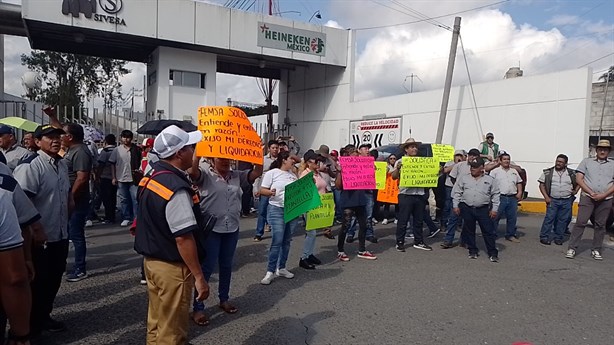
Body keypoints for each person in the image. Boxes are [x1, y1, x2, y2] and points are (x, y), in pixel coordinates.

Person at [134, 125, 209, 344]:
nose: (193, 150)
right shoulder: (175, 186)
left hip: (152, 263)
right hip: (172, 269)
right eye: (190, 147)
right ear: (179, 153)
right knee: (172, 332)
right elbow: (183, 237)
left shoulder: (153, 175)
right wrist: (198, 277)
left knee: (156, 324)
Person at [188, 155, 262, 325]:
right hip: (212, 228)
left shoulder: (238, 175)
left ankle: (224, 299)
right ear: (213, 160)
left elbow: (257, 172)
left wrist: (257, 154)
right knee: (206, 267)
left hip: (232, 227)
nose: (225, 161)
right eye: (220, 158)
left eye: (228, 158)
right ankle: (198, 308)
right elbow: (192, 172)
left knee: (227, 265)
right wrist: (197, 153)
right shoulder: (205, 175)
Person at [13, 125, 72, 335]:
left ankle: (43, 317)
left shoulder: (61, 164)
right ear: (37, 142)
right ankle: (28, 327)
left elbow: (66, 195)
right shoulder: (31, 166)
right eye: (50, 138)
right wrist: (34, 231)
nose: (56, 140)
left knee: (54, 278)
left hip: (60, 234)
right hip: (38, 237)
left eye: (58, 137)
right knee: (37, 281)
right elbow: (22, 202)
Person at [566, 139, 614, 260]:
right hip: (587, 197)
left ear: (608, 151)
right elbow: (579, 179)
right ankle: (572, 247)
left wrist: (603, 195)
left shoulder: (613, 164)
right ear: (596, 150)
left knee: (600, 225)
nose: (603, 151)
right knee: (581, 222)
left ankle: (596, 249)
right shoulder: (586, 162)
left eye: (605, 149)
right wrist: (591, 192)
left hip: (606, 198)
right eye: (600, 149)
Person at [259, 151, 302, 284]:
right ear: (283, 160)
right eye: (290, 159)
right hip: (276, 209)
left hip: (292, 210)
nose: (293, 162)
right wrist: (270, 192)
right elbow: (262, 190)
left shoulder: (293, 175)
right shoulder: (272, 173)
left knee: (287, 240)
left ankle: (282, 267)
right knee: (277, 239)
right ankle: (270, 271)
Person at [61, 123, 93, 282]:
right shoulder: (71, 149)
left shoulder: (80, 152)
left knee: (76, 234)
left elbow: (82, 178)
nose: (59, 138)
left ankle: (80, 268)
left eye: (62, 134)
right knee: (66, 233)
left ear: (70, 137)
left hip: (77, 201)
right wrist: (52, 116)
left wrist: (71, 198)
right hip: (70, 199)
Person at [334, 148, 377, 262]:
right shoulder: (343, 167)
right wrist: (340, 172)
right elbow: (338, 186)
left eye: (357, 156)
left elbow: (370, 180)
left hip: (360, 200)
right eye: (353, 156)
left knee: (363, 225)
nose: (356, 159)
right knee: (346, 226)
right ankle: (340, 250)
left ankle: (362, 250)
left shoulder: (362, 166)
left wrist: (371, 171)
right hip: (348, 200)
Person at [452, 159, 500, 262]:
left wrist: (494, 209)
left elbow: (495, 195)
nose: (472, 169)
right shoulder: (464, 179)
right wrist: (456, 205)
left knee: (488, 231)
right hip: (467, 208)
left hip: (483, 209)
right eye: (471, 166)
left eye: (475, 167)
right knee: (469, 230)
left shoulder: (490, 180)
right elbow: (457, 192)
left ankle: (492, 253)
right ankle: (472, 250)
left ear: (482, 168)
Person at [392, 138, 432, 252]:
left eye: (415, 147)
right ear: (406, 149)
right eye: (412, 147)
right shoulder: (400, 161)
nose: (415, 149)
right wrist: (398, 169)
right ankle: (399, 242)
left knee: (419, 220)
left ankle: (418, 241)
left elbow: (429, 175)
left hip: (419, 194)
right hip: (405, 194)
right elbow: (394, 177)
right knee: (403, 220)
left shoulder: (422, 161)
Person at [538, 154, 579, 245]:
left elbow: (580, 181)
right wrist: (546, 197)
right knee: (549, 219)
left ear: (565, 164)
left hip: (567, 200)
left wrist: (576, 190)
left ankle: (559, 238)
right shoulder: (548, 172)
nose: (558, 163)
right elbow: (541, 185)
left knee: (563, 220)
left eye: (561, 162)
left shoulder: (572, 173)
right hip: (553, 200)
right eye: (557, 161)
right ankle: (544, 237)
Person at [298, 152, 329, 270]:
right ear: (308, 162)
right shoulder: (305, 174)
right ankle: (304, 257)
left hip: (319, 205)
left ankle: (309, 254)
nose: (318, 163)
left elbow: (323, 187)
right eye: (315, 161)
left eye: (318, 161)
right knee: (311, 233)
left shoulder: (318, 173)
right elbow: (303, 191)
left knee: (313, 233)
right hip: (310, 206)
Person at [109, 130, 141, 227]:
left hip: (134, 178)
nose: (126, 139)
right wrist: (114, 177)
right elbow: (112, 164)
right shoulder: (117, 150)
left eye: (127, 137)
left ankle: (136, 218)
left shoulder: (136, 149)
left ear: (131, 138)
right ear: (121, 138)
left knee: (135, 199)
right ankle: (126, 217)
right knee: (123, 199)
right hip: (121, 177)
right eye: (124, 137)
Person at [490, 152, 523, 242]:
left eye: (508, 159)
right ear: (500, 161)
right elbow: (490, 184)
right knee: (495, 217)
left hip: (512, 198)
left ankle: (510, 235)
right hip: (500, 197)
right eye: (504, 159)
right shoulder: (495, 172)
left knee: (512, 218)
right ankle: (492, 234)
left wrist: (520, 192)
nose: (506, 161)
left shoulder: (514, 171)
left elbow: (519, 182)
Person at [253, 140, 280, 241]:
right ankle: (259, 233)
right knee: (262, 211)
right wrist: (256, 188)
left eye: (276, 148)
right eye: (273, 148)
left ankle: (275, 232)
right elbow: (257, 175)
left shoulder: (281, 160)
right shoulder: (263, 159)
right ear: (269, 149)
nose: (275, 150)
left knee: (276, 211)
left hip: (276, 189)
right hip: (265, 188)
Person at [97, 134, 118, 224]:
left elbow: (101, 164)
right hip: (117, 176)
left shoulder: (105, 151)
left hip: (105, 177)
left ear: (106, 141)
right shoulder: (118, 150)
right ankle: (112, 215)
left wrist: (97, 175)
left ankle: (109, 217)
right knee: (113, 198)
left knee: (106, 198)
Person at [381, 154, 399, 225]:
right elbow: (381, 176)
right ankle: (385, 218)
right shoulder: (386, 166)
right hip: (388, 188)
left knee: (397, 204)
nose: (392, 160)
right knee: (387, 204)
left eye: (394, 158)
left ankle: (397, 218)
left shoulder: (398, 166)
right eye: (391, 158)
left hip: (395, 188)